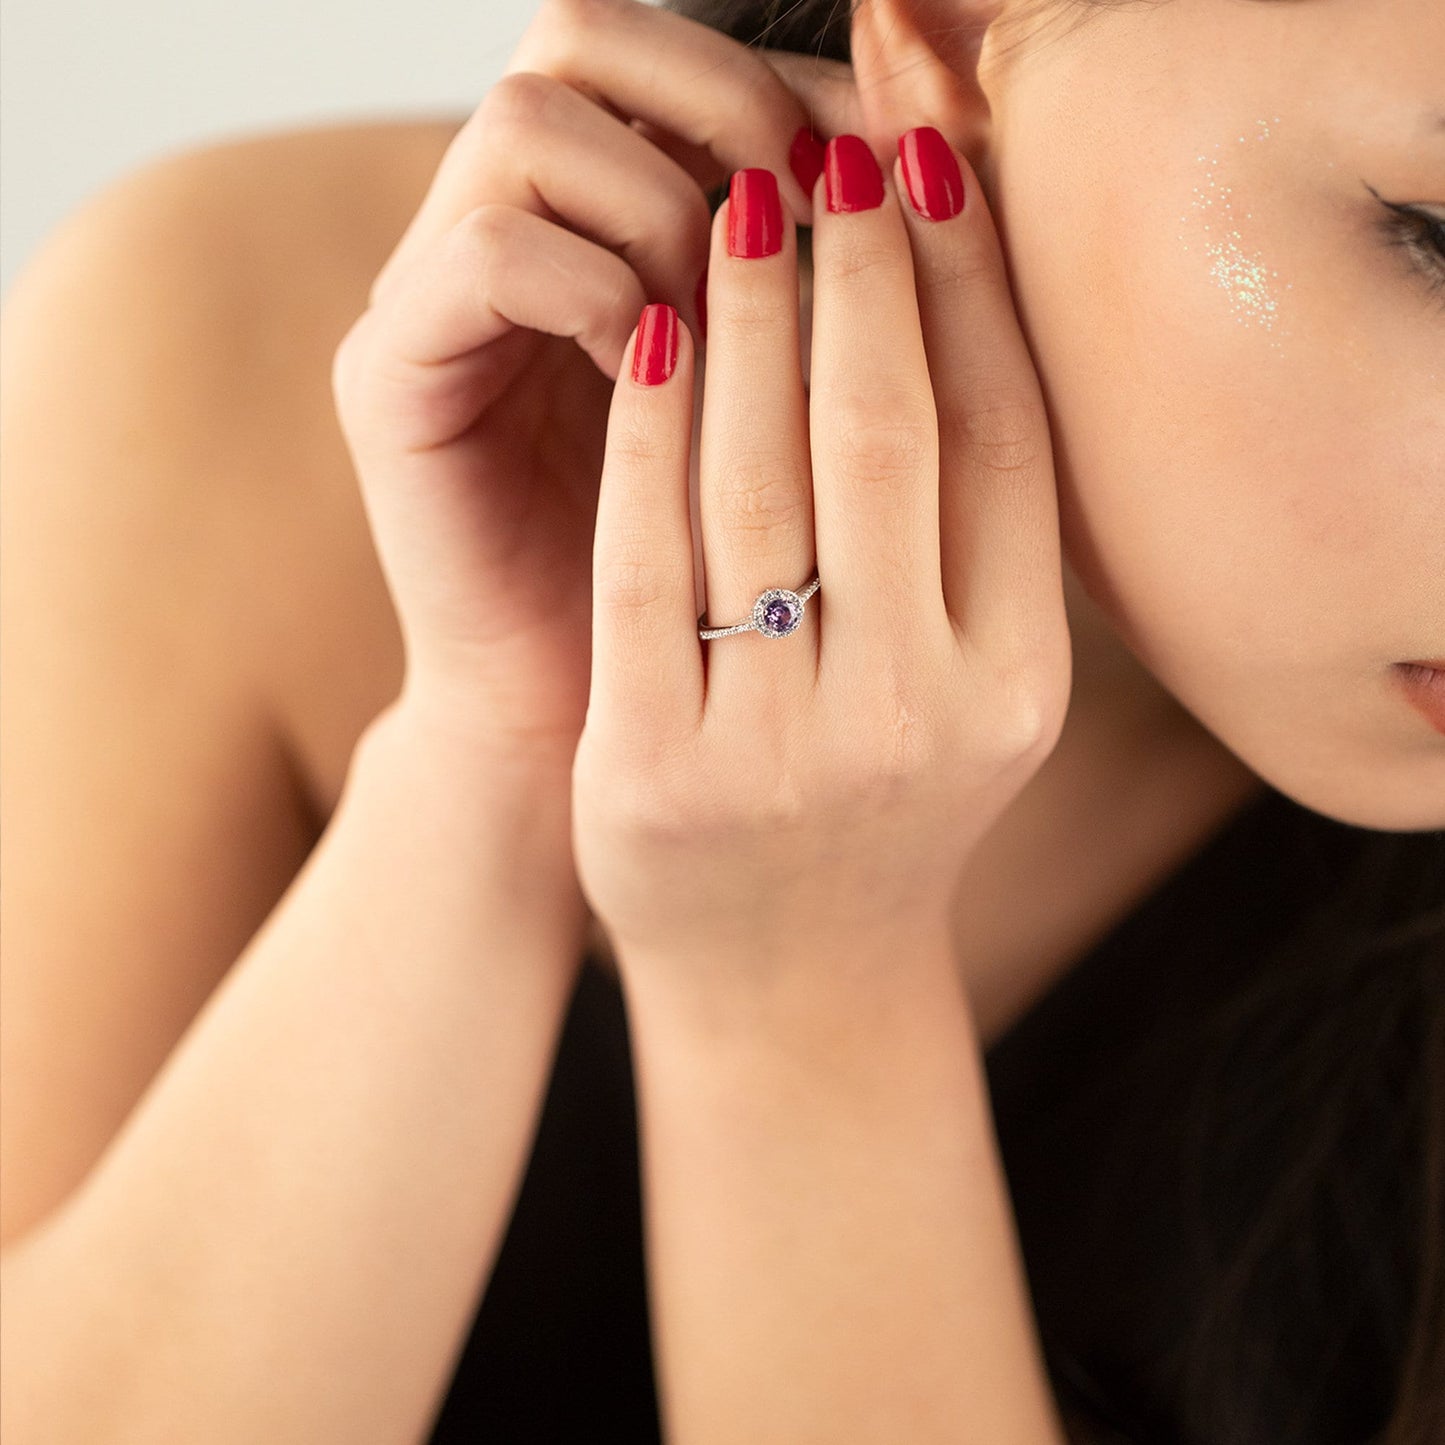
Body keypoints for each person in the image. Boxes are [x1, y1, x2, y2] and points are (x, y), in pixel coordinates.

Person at [2, 0, 1441, 1438]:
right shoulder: (231, 356)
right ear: (944, 39)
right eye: (1438, 239)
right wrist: (495, 739)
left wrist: (796, 987)